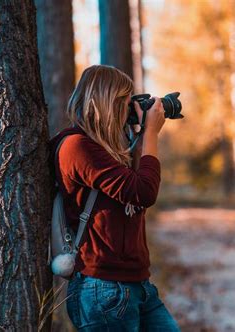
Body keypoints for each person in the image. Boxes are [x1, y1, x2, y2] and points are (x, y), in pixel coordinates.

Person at [49, 65, 180, 331]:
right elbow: (143, 192)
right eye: (125, 100)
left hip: (136, 285)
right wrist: (152, 133)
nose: (128, 107)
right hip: (103, 288)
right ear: (108, 102)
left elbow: (131, 188)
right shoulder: (77, 146)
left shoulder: (105, 149)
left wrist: (139, 135)